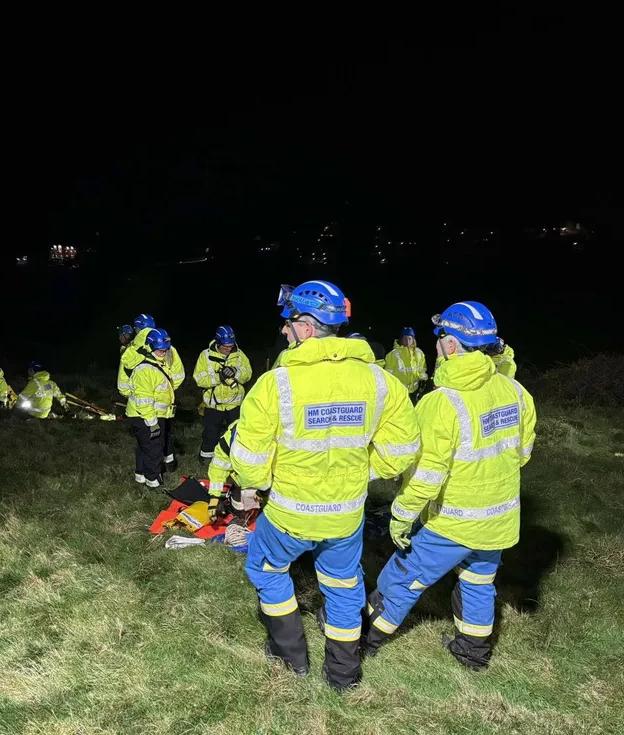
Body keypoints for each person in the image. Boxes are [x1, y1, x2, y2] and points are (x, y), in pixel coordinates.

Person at [230, 281, 421, 691]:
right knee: (344, 583)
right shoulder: (380, 381)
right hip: (346, 514)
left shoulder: (276, 383)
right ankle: (343, 675)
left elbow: (248, 457)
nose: (284, 331)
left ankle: (290, 658)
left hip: (288, 513)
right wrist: (363, 473)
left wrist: (254, 485)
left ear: (308, 327)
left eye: (290, 323)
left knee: (266, 568)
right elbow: (404, 449)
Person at [364, 301, 537, 670]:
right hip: (500, 520)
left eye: (440, 336)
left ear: (453, 345)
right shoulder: (516, 391)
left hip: (453, 522)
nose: (437, 342)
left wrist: (402, 514)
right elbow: (522, 453)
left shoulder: (441, 402)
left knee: (401, 578)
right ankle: (472, 654)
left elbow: (427, 474)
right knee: (478, 582)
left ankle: (364, 639)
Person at [119, 314, 184, 468]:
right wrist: (164, 393)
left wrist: (137, 396)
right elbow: (178, 375)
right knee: (160, 438)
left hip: (138, 407)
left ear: (136, 329)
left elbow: (123, 384)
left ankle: (143, 475)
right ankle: (165, 465)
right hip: (159, 406)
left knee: (146, 443)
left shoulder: (131, 351)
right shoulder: (168, 347)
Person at [194, 325, 252, 462]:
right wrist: (219, 377)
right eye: (226, 346)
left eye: (231, 346)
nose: (229, 349)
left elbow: (248, 374)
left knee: (236, 433)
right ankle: (206, 457)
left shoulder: (239, 355)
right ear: (218, 343)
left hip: (234, 404)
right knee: (210, 433)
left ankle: (234, 459)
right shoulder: (206, 356)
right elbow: (199, 379)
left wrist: (236, 373)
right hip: (214, 405)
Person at [384, 327, 429, 400]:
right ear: (401, 339)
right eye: (405, 339)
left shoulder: (419, 353)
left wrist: (423, 384)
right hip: (399, 392)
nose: (407, 341)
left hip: (415, 391)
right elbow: (388, 375)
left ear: (413, 339)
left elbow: (422, 370)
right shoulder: (392, 355)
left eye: (409, 339)